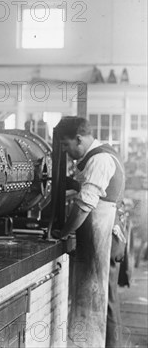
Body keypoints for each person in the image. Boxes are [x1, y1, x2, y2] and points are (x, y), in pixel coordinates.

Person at [52, 116, 126, 348]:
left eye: (65, 144)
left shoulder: (99, 160)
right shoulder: (101, 153)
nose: (65, 150)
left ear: (79, 138)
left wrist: (63, 233)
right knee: (104, 297)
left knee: (101, 298)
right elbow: (95, 189)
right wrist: (70, 184)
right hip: (106, 231)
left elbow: (84, 206)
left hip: (103, 234)